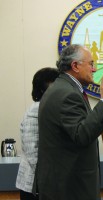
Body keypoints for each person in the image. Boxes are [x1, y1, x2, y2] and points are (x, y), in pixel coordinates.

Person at [36, 44, 103, 200]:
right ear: (75, 66)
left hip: (67, 185)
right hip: (70, 189)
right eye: (91, 64)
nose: (94, 69)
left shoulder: (63, 88)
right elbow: (82, 135)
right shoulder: (67, 94)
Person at [16, 67, 59, 200]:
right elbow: (32, 151)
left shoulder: (51, 107)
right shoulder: (36, 109)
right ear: (42, 89)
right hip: (34, 186)